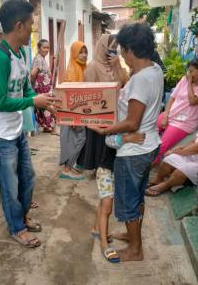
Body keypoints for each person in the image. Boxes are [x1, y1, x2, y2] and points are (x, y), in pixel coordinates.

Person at [0, 0, 59, 248]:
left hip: (16, 130)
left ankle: (22, 216)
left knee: (28, 177)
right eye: (30, 24)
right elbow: (0, 102)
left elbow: (26, 89)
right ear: (18, 26)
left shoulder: (20, 54)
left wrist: (40, 100)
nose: (32, 29)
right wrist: (32, 102)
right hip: (0, 133)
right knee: (10, 185)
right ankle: (16, 227)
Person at [88, 23, 163, 262]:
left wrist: (105, 130)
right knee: (138, 197)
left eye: (121, 50)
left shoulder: (140, 80)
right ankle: (133, 238)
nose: (120, 54)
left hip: (132, 151)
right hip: (149, 144)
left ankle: (135, 250)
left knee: (128, 203)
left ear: (130, 50)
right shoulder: (155, 70)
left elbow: (131, 122)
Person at [77, 34, 128, 174]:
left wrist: (118, 65)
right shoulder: (93, 66)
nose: (113, 51)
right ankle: (100, 169)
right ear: (102, 47)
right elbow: (87, 92)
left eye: (115, 48)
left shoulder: (115, 64)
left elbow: (126, 82)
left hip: (115, 110)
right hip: (99, 112)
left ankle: (106, 168)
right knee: (99, 142)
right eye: (110, 48)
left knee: (111, 142)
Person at [92, 132, 145, 263]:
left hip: (122, 170)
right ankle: (104, 243)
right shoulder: (115, 126)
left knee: (104, 203)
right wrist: (128, 138)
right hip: (106, 170)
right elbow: (107, 137)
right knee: (107, 207)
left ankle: (96, 229)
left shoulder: (137, 126)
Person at [153, 59, 198, 164]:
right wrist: (165, 115)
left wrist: (189, 83)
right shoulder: (184, 79)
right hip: (171, 114)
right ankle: (141, 159)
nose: (189, 74)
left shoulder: (188, 82)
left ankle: (147, 169)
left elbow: (192, 101)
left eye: (192, 71)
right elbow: (172, 98)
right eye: (188, 71)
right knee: (148, 131)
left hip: (184, 123)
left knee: (161, 146)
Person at [59, 41, 88, 180]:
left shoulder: (83, 68)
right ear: (74, 53)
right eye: (80, 52)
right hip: (72, 112)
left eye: (85, 52)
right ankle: (66, 169)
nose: (83, 55)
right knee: (75, 139)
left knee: (76, 139)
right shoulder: (72, 70)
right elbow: (70, 96)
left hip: (79, 111)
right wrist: (73, 118)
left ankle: (69, 166)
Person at [30, 39, 58, 135]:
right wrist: (36, 83)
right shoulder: (38, 59)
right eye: (44, 47)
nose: (46, 50)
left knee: (45, 106)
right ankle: (53, 129)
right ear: (38, 48)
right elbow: (33, 74)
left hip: (44, 86)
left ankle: (47, 127)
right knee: (49, 105)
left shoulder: (41, 58)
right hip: (42, 87)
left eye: (48, 47)